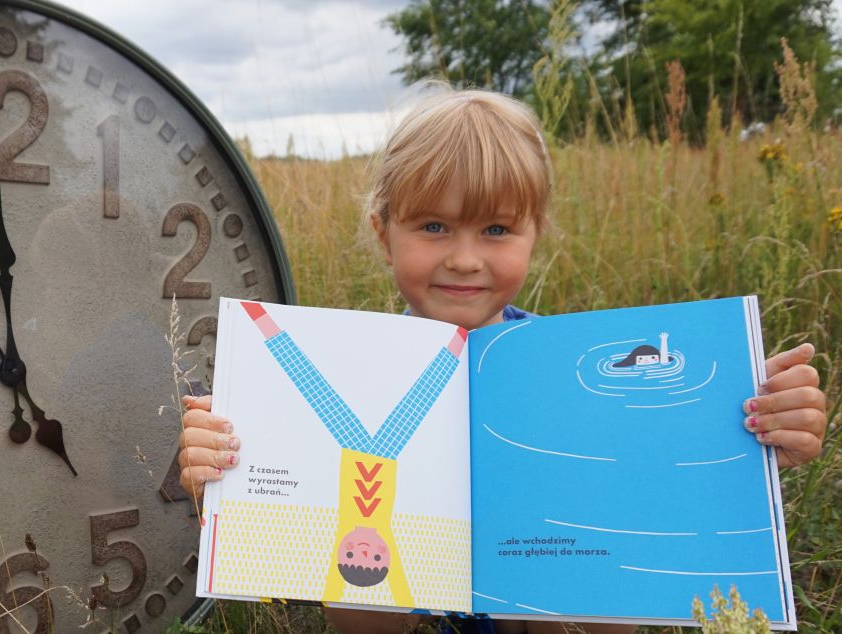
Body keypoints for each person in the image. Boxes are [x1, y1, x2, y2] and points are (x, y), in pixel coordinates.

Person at [176, 87, 828, 634]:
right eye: (434, 227)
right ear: (384, 233)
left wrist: (759, 428)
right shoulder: (348, 370)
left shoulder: (579, 372)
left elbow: (658, 506)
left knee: (581, 572)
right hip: (400, 613)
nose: (464, 258)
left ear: (535, 232)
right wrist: (224, 471)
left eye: (496, 230)